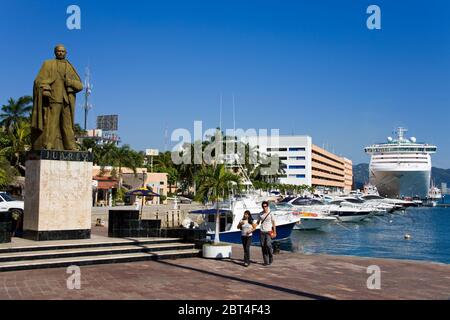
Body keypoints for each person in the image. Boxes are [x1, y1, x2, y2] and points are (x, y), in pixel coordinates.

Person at [31, 45, 83, 151]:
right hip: (54, 98)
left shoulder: (69, 66)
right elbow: (38, 81)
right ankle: (48, 144)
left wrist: (70, 82)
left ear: (66, 53)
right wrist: (45, 89)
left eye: (63, 51)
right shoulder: (48, 64)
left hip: (66, 100)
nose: (60, 53)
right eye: (58, 51)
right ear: (55, 52)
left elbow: (80, 85)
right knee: (51, 123)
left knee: (67, 124)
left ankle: (70, 146)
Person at [257, 201, 277, 266]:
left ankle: (271, 256)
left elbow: (273, 223)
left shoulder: (271, 213)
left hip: (269, 231)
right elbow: (258, 222)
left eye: (265, 206)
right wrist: (252, 226)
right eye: (263, 206)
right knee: (263, 246)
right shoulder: (260, 214)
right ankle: (266, 261)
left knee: (268, 245)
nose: (264, 207)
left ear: (267, 206)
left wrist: (275, 232)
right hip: (262, 231)